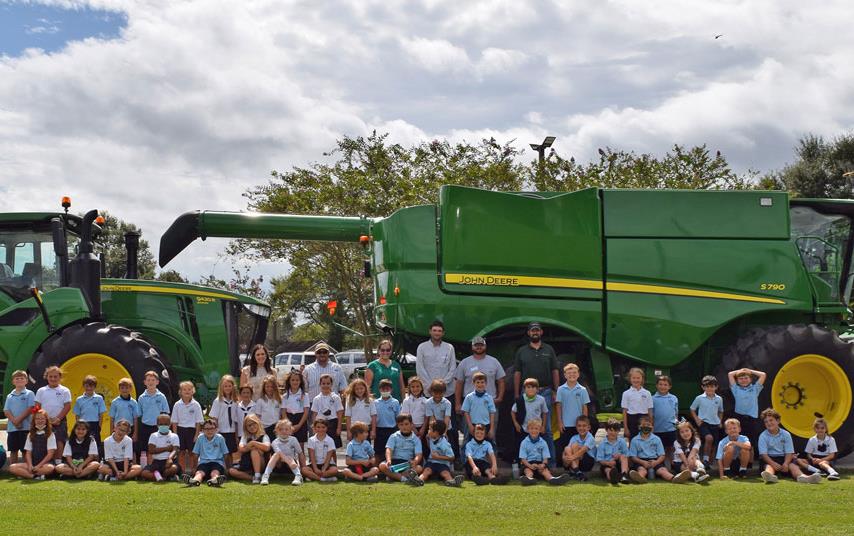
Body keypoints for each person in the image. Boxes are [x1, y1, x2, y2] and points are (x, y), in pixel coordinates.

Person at [513, 322, 560, 464]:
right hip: (526, 394)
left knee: (546, 430)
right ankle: (525, 462)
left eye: (537, 330)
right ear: (528, 333)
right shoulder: (522, 351)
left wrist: (556, 390)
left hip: (545, 391)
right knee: (525, 429)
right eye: (532, 330)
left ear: (541, 332)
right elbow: (517, 372)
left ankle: (551, 464)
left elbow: (555, 370)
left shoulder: (549, 349)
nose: (535, 332)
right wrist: (517, 393)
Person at [416, 320, 459, 462]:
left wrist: (441, 385)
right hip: (428, 392)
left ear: (443, 333)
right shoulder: (422, 347)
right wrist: (431, 386)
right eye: (434, 330)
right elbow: (420, 368)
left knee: (450, 428)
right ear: (430, 331)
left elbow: (452, 368)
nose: (437, 333)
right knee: (430, 427)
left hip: (447, 393)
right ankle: (429, 458)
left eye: (439, 331)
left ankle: (454, 458)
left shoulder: (449, 348)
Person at [454, 336, 505, 442]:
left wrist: (500, 398)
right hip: (470, 405)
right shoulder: (465, 362)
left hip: (490, 404)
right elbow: (459, 383)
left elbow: (501, 380)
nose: (479, 347)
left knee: (490, 435)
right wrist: (458, 403)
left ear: (485, 346)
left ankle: (490, 458)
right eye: (476, 345)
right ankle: (467, 458)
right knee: (469, 434)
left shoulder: (494, 361)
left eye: (481, 345)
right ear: (472, 347)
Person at [758, 407, 820, 484]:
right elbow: (764, 454)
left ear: (778, 421)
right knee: (768, 467)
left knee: (793, 466)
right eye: (766, 421)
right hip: (770, 459)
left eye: (771, 420)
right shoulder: (763, 436)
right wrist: (773, 463)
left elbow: (789, 452)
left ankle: (803, 477)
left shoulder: (786, 434)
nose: (768, 423)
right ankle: (769, 476)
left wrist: (786, 463)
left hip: (784, 458)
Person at [627, 415, 690, 484]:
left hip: (655, 460)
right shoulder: (635, 440)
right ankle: (640, 478)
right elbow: (633, 457)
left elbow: (662, 455)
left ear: (652, 427)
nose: (647, 427)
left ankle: (675, 478)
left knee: (663, 470)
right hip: (640, 461)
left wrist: (656, 462)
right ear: (639, 427)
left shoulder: (656, 439)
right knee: (641, 470)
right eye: (644, 425)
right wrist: (643, 462)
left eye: (649, 425)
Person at [35, 365, 71, 463]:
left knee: (59, 440)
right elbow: (37, 407)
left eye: (55, 376)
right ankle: (46, 462)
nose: (53, 378)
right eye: (50, 376)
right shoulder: (41, 391)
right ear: (46, 377)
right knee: (44, 441)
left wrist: (58, 418)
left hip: (60, 420)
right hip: (44, 421)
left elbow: (67, 406)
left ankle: (58, 462)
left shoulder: (65, 390)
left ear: (60, 377)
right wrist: (42, 419)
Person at [727, 367, 766, 459]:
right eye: (741, 378)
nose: (743, 380)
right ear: (737, 380)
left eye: (746, 378)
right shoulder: (735, 389)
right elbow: (730, 374)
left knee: (751, 441)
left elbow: (763, 375)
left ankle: (750, 463)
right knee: (739, 439)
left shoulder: (755, 388)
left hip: (751, 418)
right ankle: (740, 459)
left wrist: (749, 371)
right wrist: (741, 371)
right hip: (739, 418)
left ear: (750, 379)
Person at [517, 419, 569, 485]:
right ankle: (528, 479)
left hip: (540, 464)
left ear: (540, 430)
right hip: (528, 464)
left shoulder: (543, 442)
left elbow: (545, 459)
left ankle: (552, 479)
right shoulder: (524, 442)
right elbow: (523, 459)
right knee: (528, 471)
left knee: (545, 471)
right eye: (531, 428)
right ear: (528, 430)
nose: (534, 431)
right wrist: (530, 465)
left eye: (536, 428)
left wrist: (543, 464)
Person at [8, 408, 56, 480]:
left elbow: (50, 454)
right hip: (32, 463)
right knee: (12, 467)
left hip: (45, 464)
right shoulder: (31, 434)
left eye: (42, 419)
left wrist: (39, 466)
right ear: (34, 421)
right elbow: (28, 452)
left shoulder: (50, 434)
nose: (40, 421)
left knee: (50, 468)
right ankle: (34, 476)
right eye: (37, 419)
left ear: (46, 420)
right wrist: (30, 465)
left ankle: (26, 474)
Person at [555, 363, 590, 456]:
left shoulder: (582, 390)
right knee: (567, 447)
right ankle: (569, 465)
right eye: (569, 373)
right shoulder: (560, 389)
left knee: (578, 446)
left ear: (578, 374)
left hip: (578, 425)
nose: (572, 375)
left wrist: (585, 423)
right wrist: (559, 422)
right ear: (565, 375)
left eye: (574, 373)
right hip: (565, 424)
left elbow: (584, 407)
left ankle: (576, 466)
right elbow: (558, 406)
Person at [415, 420, 464, 487]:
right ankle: (419, 480)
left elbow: (452, 457)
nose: (428, 431)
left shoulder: (444, 444)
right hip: (431, 462)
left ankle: (452, 481)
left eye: (429, 429)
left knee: (445, 473)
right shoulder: (431, 438)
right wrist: (427, 440)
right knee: (426, 471)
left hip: (442, 464)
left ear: (436, 433)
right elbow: (431, 447)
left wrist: (438, 457)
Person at [137, 370, 170, 467]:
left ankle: (158, 467)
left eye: (153, 380)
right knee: (146, 449)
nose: (151, 382)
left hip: (158, 427)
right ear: (145, 382)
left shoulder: (161, 397)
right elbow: (139, 414)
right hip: (145, 426)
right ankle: (146, 468)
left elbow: (166, 412)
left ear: (157, 382)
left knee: (158, 447)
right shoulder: (142, 398)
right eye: (148, 380)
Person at [689, 375, 724, 468]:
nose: (710, 389)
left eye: (712, 386)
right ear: (703, 387)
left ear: (716, 387)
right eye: (707, 386)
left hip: (715, 423)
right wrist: (697, 419)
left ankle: (709, 463)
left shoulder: (719, 399)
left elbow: (721, 411)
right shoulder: (699, 398)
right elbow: (692, 409)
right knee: (709, 438)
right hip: (704, 423)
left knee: (714, 445)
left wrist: (720, 421)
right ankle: (705, 459)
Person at [511, 378, 549, 460]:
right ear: (524, 389)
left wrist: (543, 426)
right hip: (524, 428)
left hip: (537, 429)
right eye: (528, 387)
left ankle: (539, 462)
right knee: (523, 446)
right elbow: (513, 411)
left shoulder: (541, 400)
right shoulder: (520, 400)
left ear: (537, 389)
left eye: (533, 387)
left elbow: (545, 412)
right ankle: (523, 464)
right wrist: (516, 423)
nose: (531, 389)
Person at [378, 414, 424, 483]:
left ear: (411, 424)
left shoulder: (416, 439)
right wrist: (388, 460)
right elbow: (389, 450)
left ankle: (393, 476)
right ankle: (403, 478)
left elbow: (419, 454)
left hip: (407, 464)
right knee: (382, 466)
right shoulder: (394, 436)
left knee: (419, 468)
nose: (404, 427)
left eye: (406, 424)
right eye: (401, 424)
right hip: (394, 462)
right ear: (398, 426)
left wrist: (415, 461)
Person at [184, 418, 229, 487]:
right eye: (207, 429)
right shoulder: (200, 438)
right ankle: (195, 481)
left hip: (217, 462)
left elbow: (225, 454)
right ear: (203, 430)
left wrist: (226, 467)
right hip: (203, 462)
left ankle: (215, 480)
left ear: (216, 429)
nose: (209, 431)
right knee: (199, 473)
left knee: (215, 472)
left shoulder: (220, 438)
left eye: (212, 428)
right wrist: (194, 467)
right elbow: (195, 454)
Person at [4, 369, 35, 466]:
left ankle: (26, 468)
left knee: (25, 450)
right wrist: (15, 421)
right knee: (13, 450)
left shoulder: (29, 393)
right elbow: (6, 411)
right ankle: (14, 469)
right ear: (13, 381)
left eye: (22, 378)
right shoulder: (10, 396)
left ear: (26, 381)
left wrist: (19, 420)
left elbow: (30, 408)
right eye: (17, 379)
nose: (19, 380)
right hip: (12, 428)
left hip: (25, 428)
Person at [171, 380, 203, 473]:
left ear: (193, 391)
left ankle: (194, 470)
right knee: (180, 452)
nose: (187, 391)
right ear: (180, 392)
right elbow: (174, 421)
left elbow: (198, 422)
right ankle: (182, 471)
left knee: (192, 452)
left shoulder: (196, 405)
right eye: (184, 389)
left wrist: (196, 435)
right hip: (180, 430)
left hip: (192, 431)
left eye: (189, 389)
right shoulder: (177, 405)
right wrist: (175, 435)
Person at [228, 414, 271, 483]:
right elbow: (241, 449)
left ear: (258, 423)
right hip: (247, 465)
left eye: (254, 424)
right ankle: (252, 478)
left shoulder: (264, 436)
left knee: (254, 451)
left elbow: (267, 447)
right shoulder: (245, 437)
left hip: (261, 464)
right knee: (231, 471)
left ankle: (257, 474)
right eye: (249, 425)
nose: (252, 427)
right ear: (246, 428)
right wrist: (250, 445)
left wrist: (253, 443)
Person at [72, 375, 107, 459]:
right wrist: (78, 425)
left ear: (94, 387)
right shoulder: (79, 399)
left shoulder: (99, 398)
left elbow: (101, 414)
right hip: (83, 424)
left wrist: (99, 426)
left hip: (95, 424)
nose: (89, 388)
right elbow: (77, 414)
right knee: (84, 442)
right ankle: (83, 460)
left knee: (96, 443)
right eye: (87, 386)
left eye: (91, 386)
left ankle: (97, 462)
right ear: (84, 386)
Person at [262, 418, 304, 486]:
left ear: (291, 431)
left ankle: (298, 476)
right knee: (276, 455)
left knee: (289, 457)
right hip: (279, 465)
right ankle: (265, 476)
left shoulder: (294, 440)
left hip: (291, 466)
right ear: (276, 431)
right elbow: (280, 453)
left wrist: (303, 467)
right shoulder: (274, 442)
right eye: (281, 429)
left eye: (286, 429)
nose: (284, 431)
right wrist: (290, 462)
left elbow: (300, 453)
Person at [140, 413, 181, 482]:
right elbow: (151, 450)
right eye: (161, 424)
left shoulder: (174, 436)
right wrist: (166, 448)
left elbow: (175, 449)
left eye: (165, 424)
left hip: (170, 462)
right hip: (156, 462)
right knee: (144, 473)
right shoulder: (153, 435)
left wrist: (170, 458)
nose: (163, 426)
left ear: (169, 424)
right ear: (157, 425)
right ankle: (165, 477)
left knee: (173, 468)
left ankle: (160, 477)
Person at [209, 374, 239, 464]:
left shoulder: (236, 401)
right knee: (223, 452)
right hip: (221, 430)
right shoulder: (218, 401)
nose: (227, 388)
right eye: (225, 386)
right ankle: (223, 469)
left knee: (230, 452)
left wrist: (236, 434)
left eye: (229, 386)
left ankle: (230, 468)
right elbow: (214, 418)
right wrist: (215, 431)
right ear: (221, 387)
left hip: (232, 430)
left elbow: (236, 419)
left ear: (233, 387)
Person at [109, 377, 141, 460]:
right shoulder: (115, 402)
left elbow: (135, 418)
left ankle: (133, 464)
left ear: (130, 389)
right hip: (118, 429)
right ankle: (118, 463)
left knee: (131, 447)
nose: (124, 390)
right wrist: (111, 430)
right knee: (118, 446)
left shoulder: (133, 402)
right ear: (119, 389)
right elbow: (112, 418)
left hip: (130, 428)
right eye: (122, 388)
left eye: (127, 388)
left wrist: (135, 433)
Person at [461, 371, 496, 444]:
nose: (480, 384)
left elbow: (492, 413)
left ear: (486, 383)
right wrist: (470, 425)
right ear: (473, 383)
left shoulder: (489, 398)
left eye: (482, 382)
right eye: (478, 382)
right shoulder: (469, 397)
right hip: (473, 425)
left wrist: (492, 428)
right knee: (471, 445)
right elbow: (466, 412)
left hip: (486, 425)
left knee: (488, 445)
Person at [311, 373, 344, 448]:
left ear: (331, 384)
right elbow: (314, 414)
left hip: (333, 423)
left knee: (333, 447)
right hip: (320, 424)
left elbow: (339, 413)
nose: (326, 385)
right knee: (321, 446)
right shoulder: (316, 399)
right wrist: (314, 427)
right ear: (320, 384)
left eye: (328, 383)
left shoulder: (336, 398)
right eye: (323, 383)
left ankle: (333, 460)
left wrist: (339, 427)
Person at [621, 367, 653, 445]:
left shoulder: (647, 393)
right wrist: (625, 427)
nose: (636, 380)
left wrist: (651, 425)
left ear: (642, 379)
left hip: (644, 418)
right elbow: (624, 411)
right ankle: (632, 456)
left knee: (645, 440)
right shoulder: (626, 393)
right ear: (630, 379)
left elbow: (650, 410)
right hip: (631, 419)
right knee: (633, 441)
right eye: (634, 378)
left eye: (638, 378)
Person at [652, 375, 678, 465]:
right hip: (658, 429)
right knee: (660, 450)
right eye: (660, 384)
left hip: (671, 428)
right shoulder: (652, 399)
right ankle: (661, 466)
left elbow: (675, 413)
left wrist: (676, 424)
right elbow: (651, 415)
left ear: (670, 386)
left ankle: (673, 465)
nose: (663, 386)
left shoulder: (674, 398)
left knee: (672, 448)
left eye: (665, 385)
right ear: (656, 385)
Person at [561, 415, 596, 481]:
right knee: (567, 448)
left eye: (584, 426)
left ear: (589, 427)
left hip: (587, 462)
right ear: (576, 427)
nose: (581, 428)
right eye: (579, 426)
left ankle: (574, 471)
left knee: (575, 445)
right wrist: (564, 457)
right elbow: (566, 450)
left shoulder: (590, 437)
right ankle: (577, 472)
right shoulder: (574, 437)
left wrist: (570, 458)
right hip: (576, 461)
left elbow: (583, 450)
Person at [374, 379, 401, 464]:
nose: (385, 391)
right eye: (383, 389)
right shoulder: (375, 402)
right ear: (379, 390)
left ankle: (390, 470)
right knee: (378, 451)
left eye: (387, 389)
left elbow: (398, 417)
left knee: (391, 450)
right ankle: (379, 472)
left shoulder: (395, 402)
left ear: (391, 390)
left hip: (391, 430)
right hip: (379, 430)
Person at [595, 418, 630, 484]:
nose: (613, 433)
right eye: (611, 430)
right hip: (607, 463)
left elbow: (627, 455)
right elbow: (600, 460)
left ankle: (624, 476)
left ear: (619, 431)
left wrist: (619, 455)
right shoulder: (602, 444)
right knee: (608, 470)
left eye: (615, 431)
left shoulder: (622, 441)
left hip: (619, 464)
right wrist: (608, 463)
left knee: (623, 457)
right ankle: (613, 478)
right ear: (606, 430)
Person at [282, 370, 310, 446]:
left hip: (301, 420)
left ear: (300, 381)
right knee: (288, 446)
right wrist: (289, 425)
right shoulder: (285, 396)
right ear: (289, 381)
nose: (295, 382)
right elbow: (283, 412)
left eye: (297, 380)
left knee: (300, 447)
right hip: (288, 420)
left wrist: (299, 425)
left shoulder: (305, 395)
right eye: (293, 380)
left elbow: (306, 412)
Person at [401, 376, 428, 451]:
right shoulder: (407, 401)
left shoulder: (425, 401)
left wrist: (423, 429)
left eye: (417, 386)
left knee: (424, 447)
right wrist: (413, 429)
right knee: (412, 448)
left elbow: (427, 416)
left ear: (422, 387)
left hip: (423, 428)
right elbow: (406, 416)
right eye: (413, 387)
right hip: (411, 428)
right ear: (409, 388)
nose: (415, 389)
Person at [256, 375, 284, 441]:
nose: (269, 389)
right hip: (264, 428)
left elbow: (282, 415)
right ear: (264, 387)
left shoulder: (279, 399)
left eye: (272, 387)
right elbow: (258, 417)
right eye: (267, 387)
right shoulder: (260, 401)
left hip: (276, 428)